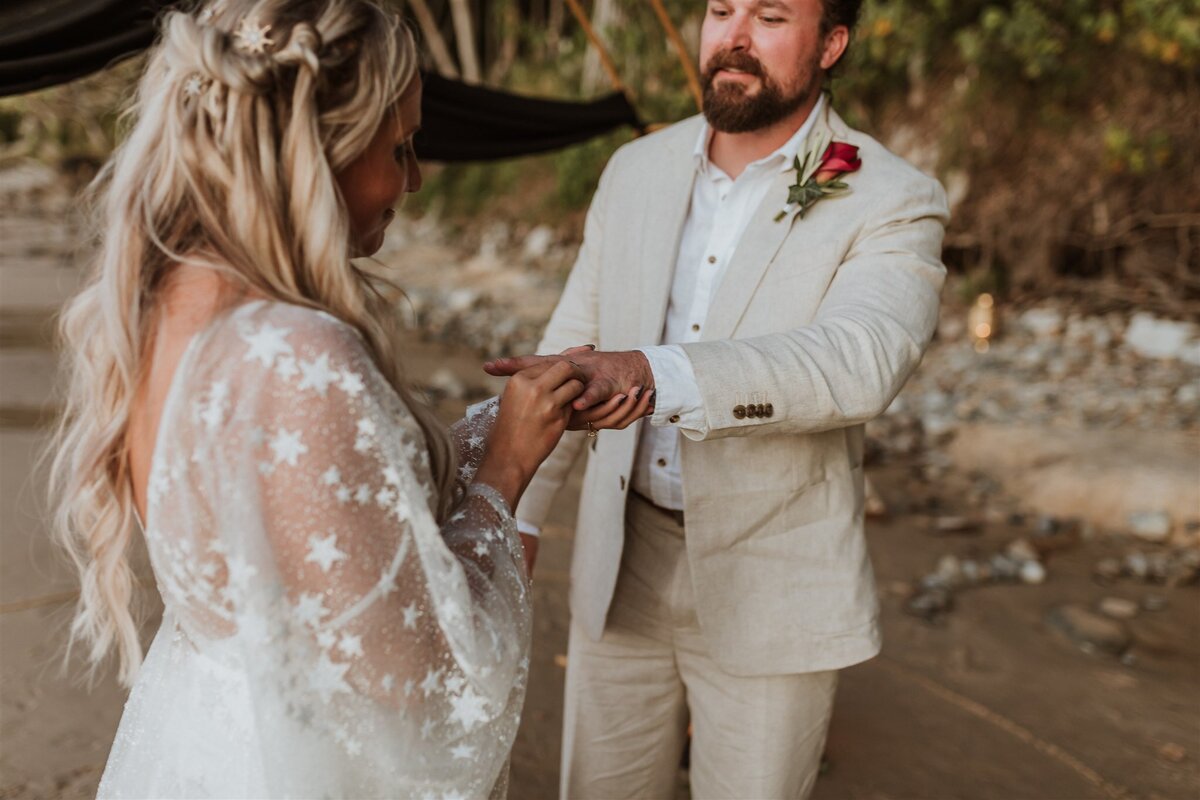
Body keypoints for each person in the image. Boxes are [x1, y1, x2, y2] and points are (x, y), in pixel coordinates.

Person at [47, 1, 584, 797]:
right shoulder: (299, 357)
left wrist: (493, 426)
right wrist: (504, 470)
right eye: (399, 146)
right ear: (317, 147)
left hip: (201, 739)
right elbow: (427, 681)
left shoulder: (161, 307)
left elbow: (329, 523)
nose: (413, 179)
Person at [485, 0, 950, 796]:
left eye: (768, 15)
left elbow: (860, 360)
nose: (732, 38)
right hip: (619, 557)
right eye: (720, 9)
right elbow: (570, 351)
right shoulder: (636, 168)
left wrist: (653, 374)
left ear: (831, 43)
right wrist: (514, 515)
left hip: (774, 575)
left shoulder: (891, 196)